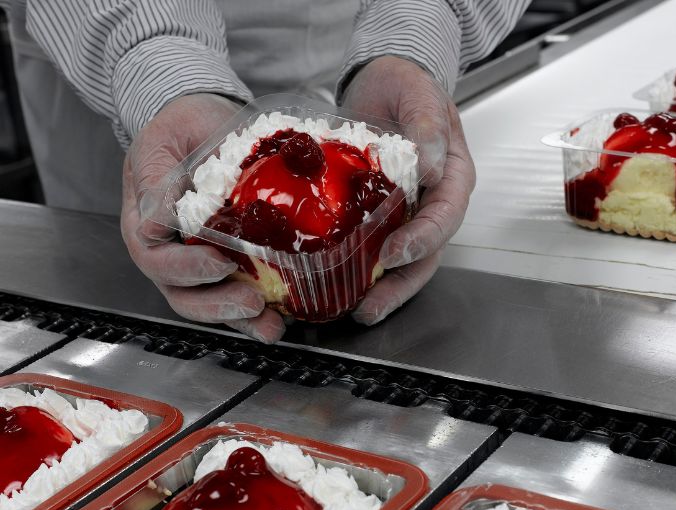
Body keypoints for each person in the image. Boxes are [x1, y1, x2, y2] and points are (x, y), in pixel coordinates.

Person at [1, 0, 530, 342]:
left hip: (347, 32)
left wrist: (416, 28)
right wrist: (157, 66)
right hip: (102, 46)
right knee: (123, 331)